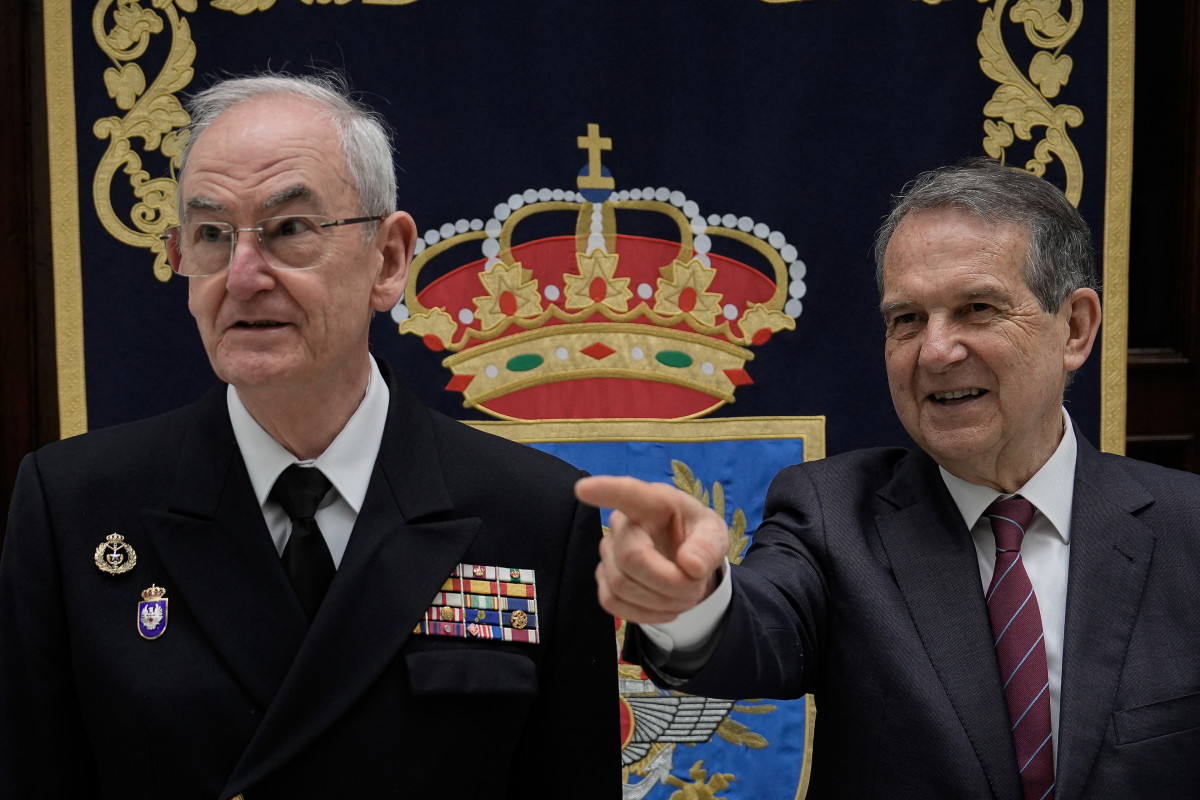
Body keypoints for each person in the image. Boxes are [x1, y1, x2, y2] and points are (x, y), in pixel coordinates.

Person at [0, 72, 616, 799]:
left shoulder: (537, 518)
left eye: (289, 230)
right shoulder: (75, 508)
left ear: (388, 260)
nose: (243, 275)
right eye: (210, 235)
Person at [576, 159, 1200, 799]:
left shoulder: (1188, 531)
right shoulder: (830, 516)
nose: (934, 351)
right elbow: (759, 629)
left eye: (976, 309)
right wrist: (692, 599)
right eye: (906, 319)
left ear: (1074, 328)